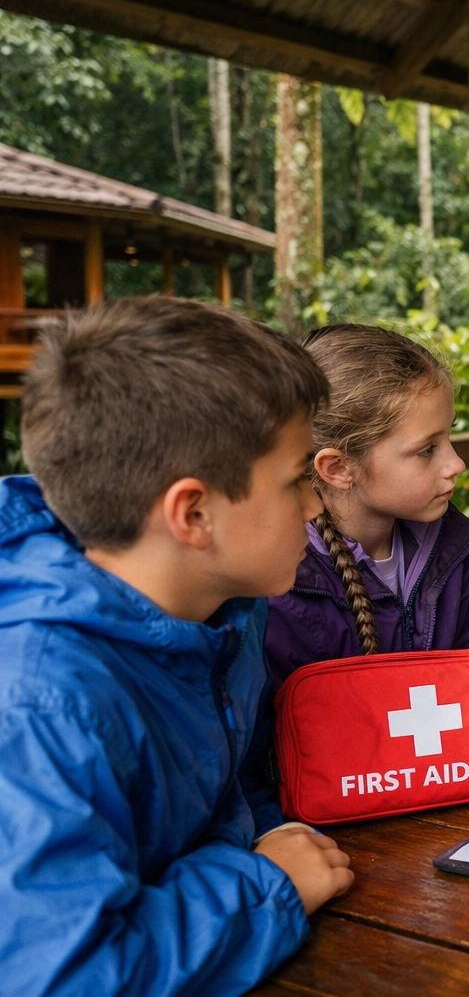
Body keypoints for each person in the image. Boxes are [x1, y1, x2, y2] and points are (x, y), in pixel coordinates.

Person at [0, 298, 352, 995]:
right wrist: (263, 885)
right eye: (295, 483)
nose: (316, 507)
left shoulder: (224, 608)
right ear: (193, 514)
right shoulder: (41, 706)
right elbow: (62, 977)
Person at [262, 324, 469, 739]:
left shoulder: (447, 543)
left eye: (449, 438)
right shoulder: (277, 584)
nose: (456, 464)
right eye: (427, 450)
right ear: (338, 468)